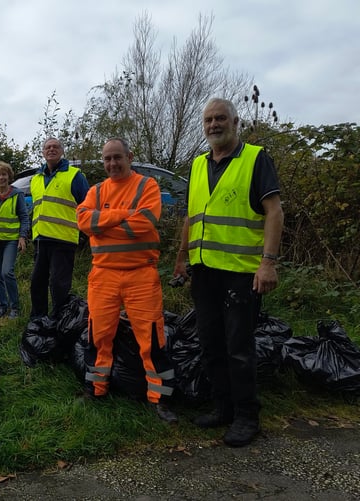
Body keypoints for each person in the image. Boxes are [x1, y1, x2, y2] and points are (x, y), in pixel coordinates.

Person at [173, 97, 284, 446]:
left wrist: (268, 262)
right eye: (208, 120)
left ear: (235, 123)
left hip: (240, 272)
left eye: (220, 118)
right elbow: (191, 216)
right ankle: (222, 407)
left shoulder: (254, 158)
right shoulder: (198, 165)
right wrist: (181, 255)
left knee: (239, 345)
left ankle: (247, 416)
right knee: (210, 343)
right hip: (204, 270)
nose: (213, 125)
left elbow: (274, 211)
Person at [76, 138, 178, 423]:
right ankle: (96, 388)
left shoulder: (147, 186)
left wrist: (103, 224)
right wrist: (123, 218)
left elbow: (144, 223)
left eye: (117, 157)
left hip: (141, 275)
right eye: (107, 159)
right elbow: (84, 221)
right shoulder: (96, 190)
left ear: (129, 156)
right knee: (99, 336)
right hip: (103, 275)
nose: (112, 164)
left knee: (152, 340)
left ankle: (160, 399)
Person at [30, 137, 89, 319]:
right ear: (43, 152)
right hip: (41, 240)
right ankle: (38, 320)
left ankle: (59, 320)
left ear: (62, 151)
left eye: (55, 147)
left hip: (63, 241)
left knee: (58, 285)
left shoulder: (74, 176)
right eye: (48, 147)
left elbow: (87, 206)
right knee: (37, 282)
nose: (51, 150)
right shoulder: (36, 179)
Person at [0, 161, 29, 319]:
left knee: (6, 272)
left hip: (11, 240)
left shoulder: (17, 195)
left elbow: (24, 217)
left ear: (9, 176)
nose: (1, 177)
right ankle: (2, 305)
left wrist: (22, 237)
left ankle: (15, 307)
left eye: (4, 174)